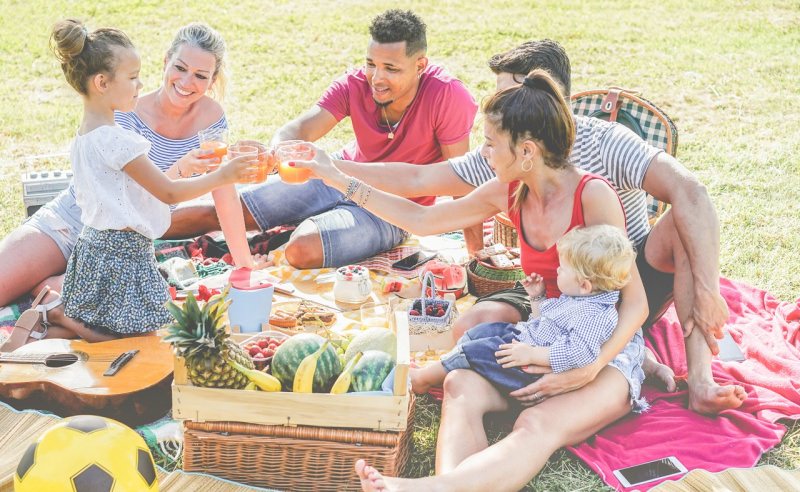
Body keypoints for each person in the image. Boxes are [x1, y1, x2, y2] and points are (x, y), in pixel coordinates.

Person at [328, 39, 744, 415]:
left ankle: (695, 378)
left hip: (622, 281)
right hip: (553, 294)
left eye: (511, 95)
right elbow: (420, 188)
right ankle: (547, 370)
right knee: (470, 326)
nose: (500, 109)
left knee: (686, 221)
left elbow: (691, 194)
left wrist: (708, 291)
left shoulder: (603, 146)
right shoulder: (505, 159)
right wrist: (329, 169)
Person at [296, 68, 649, 491]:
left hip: (602, 353)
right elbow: (423, 219)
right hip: (543, 335)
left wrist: (589, 369)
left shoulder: (592, 196)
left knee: (536, 422)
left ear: (527, 151)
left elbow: (636, 304)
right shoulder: (511, 191)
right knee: (459, 382)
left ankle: (421, 489)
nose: (483, 153)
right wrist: (337, 177)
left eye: (490, 144)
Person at [0, 20, 257, 351]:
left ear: (213, 80)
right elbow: (144, 188)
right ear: (165, 61)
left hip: (120, 243)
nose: (186, 82)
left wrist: (245, 264)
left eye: (200, 76)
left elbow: (222, 194)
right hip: (71, 222)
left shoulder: (210, 119)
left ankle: (52, 295)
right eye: (180, 67)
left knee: (122, 334)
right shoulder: (122, 109)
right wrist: (184, 170)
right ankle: (55, 296)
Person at [168, 9, 478, 269]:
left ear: (420, 65)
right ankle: (132, 228)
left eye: (391, 69)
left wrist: (475, 256)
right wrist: (279, 151)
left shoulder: (448, 96)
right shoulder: (356, 83)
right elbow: (297, 130)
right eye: (371, 64)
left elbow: (460, 183)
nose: (376, 78)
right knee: (222, 212)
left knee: (301, 248)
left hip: (390, 208)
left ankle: (297, 228)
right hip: (335, 173)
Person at [411, 225, 637, 396]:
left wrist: (532, 354)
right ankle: (451, 363)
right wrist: (537, 297)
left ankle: (423, 379)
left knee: (478, 350)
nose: (557, 270)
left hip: (529, 368)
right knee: (482, 333)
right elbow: (543, 322)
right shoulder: (582, 299)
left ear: (585, 285)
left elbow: (578, 353)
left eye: (563, 268)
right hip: (525, 342)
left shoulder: (594, 315)